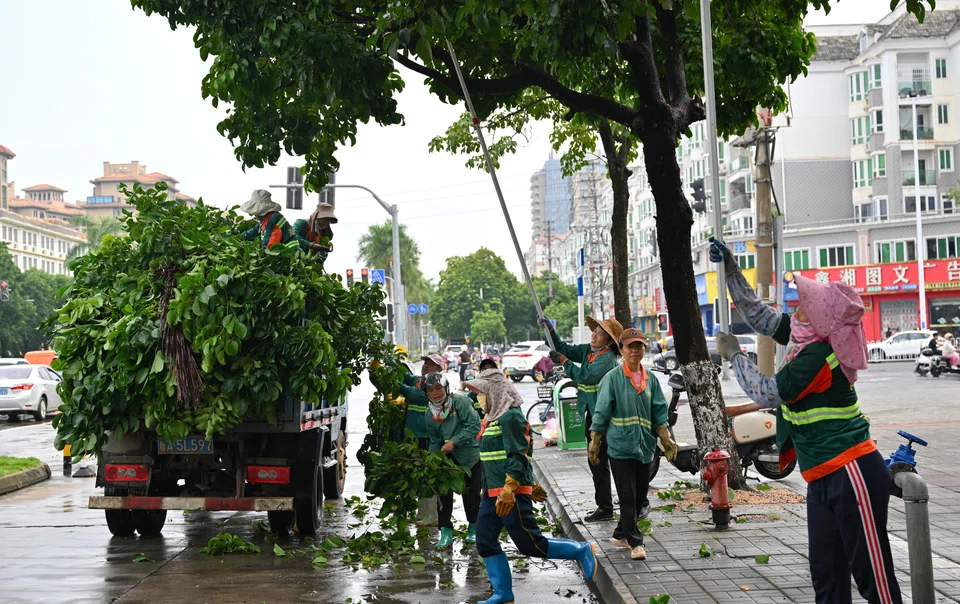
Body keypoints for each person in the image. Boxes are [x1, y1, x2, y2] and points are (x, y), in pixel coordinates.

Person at [709, 236, 902, 604]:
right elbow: (759, 315)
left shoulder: (817, 357)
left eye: (803, 307)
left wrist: (735, 356)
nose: (796, 310)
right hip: (821, 477)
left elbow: (767, 392)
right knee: (826, 579)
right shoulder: (804, 338)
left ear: (819, 320)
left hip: (852, 472)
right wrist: (733, 270)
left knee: (873, 580)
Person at [464, 368, 597, 604]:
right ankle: (503, 594)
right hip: (491, 494)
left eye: (481, 392)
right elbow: (496, 458)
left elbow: (519, 453)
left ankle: (581, 550)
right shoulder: (491, 418)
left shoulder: (511, 417)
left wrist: (512, 488)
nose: (478, 397)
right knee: (485, 542)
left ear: (494, 393)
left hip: (509, 494)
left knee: (531, 544)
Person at [590, 328, 677, 560]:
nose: (635, 351)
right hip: (619, 446)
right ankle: (636, 542)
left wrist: (665, 437)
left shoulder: (651, 380)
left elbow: (659, 411)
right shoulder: (612, 379)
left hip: (645, 447)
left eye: (639, 346)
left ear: (644, 349)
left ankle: (620, 533)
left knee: (639, 498)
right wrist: (595, 440)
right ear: (621, 349)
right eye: (630, 346)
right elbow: (601, 411)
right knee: (627, 496)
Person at [539, 315, 623, 522]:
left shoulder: (607, 358)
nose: (594, 335)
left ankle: (616, 506)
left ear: (610, 341)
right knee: (596, 461)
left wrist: (564, 362)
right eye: (594, 331)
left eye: (600, 333)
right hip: (591, 413)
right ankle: (604, 506)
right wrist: (550, 331)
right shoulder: (589, 351)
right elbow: (565, 349)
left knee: (605, 461)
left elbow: (584, 376)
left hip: (605, 416)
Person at [421, 372, 482, 548]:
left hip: (469, 457)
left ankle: (473, 528)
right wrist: (432, 459)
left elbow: (474, 426)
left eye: (438, 388)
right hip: (446, 461)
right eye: (430, 390)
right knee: (443, 497)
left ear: (446, 388)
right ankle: (445, 532)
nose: (435, 393)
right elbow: (434, 440)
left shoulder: (461, 403)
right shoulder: (429, 414)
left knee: (471, 496)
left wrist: (454, 442)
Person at [397, 353, 446, 526]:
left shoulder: (436, 385)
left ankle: (432, 515)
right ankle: (422, 514)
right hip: (415, 436)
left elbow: (411, 393)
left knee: (428, 477)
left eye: (430, 364)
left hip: (427, 437)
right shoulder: (419, 380)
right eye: (425, 362)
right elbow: (406, 376)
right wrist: (391, 363)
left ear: (439, 369)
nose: (425, 365)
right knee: (419, 477)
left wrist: (394, 383)